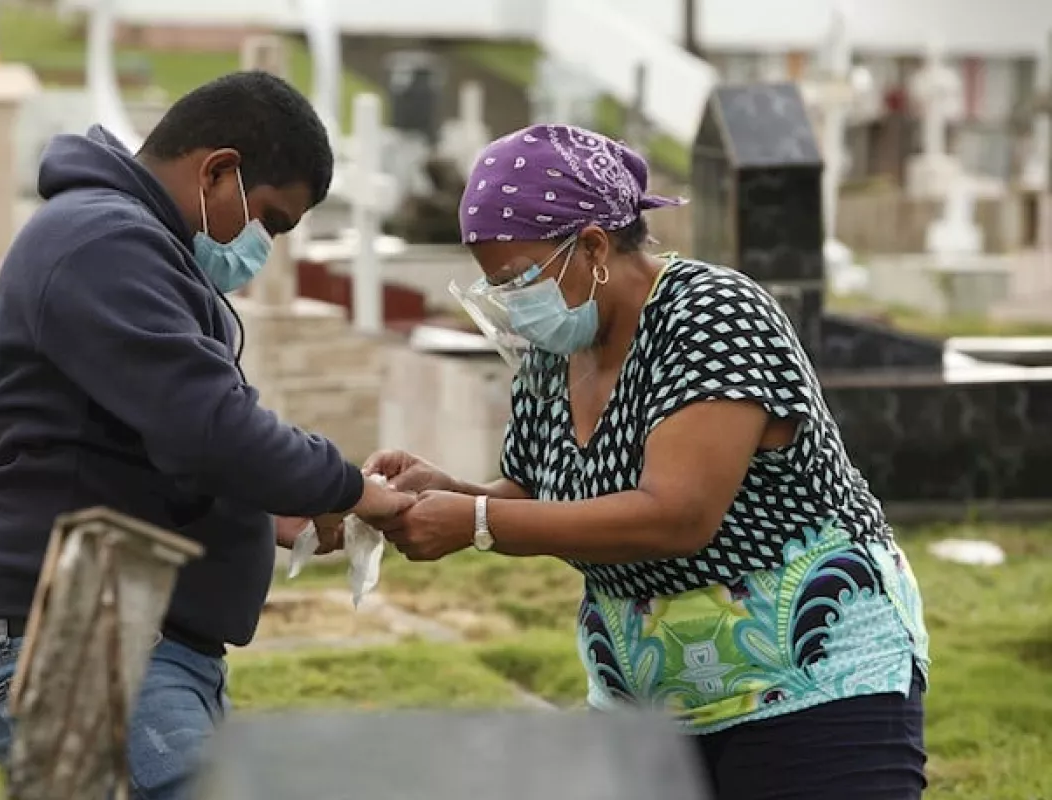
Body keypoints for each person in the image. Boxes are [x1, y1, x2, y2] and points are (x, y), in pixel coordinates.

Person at [367, 124, 930, 800]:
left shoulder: (712, 314)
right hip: (647, 707)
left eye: (518, 280)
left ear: (595, 246)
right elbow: (535, 494)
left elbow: (679, 513)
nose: (513, 304)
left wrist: (478, 521)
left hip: (810, 685)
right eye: (497, 287)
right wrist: (446, 492)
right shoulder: (556, 349)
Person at [0, 71, 412, 799]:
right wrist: (354, 488)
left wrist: (269, 518)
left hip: (138, 642)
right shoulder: (103, 240)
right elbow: (211, 429)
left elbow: (136, 448)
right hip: (87, 641)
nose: (263, 246)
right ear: (218, 171)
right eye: (270, 220)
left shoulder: (132, 246)